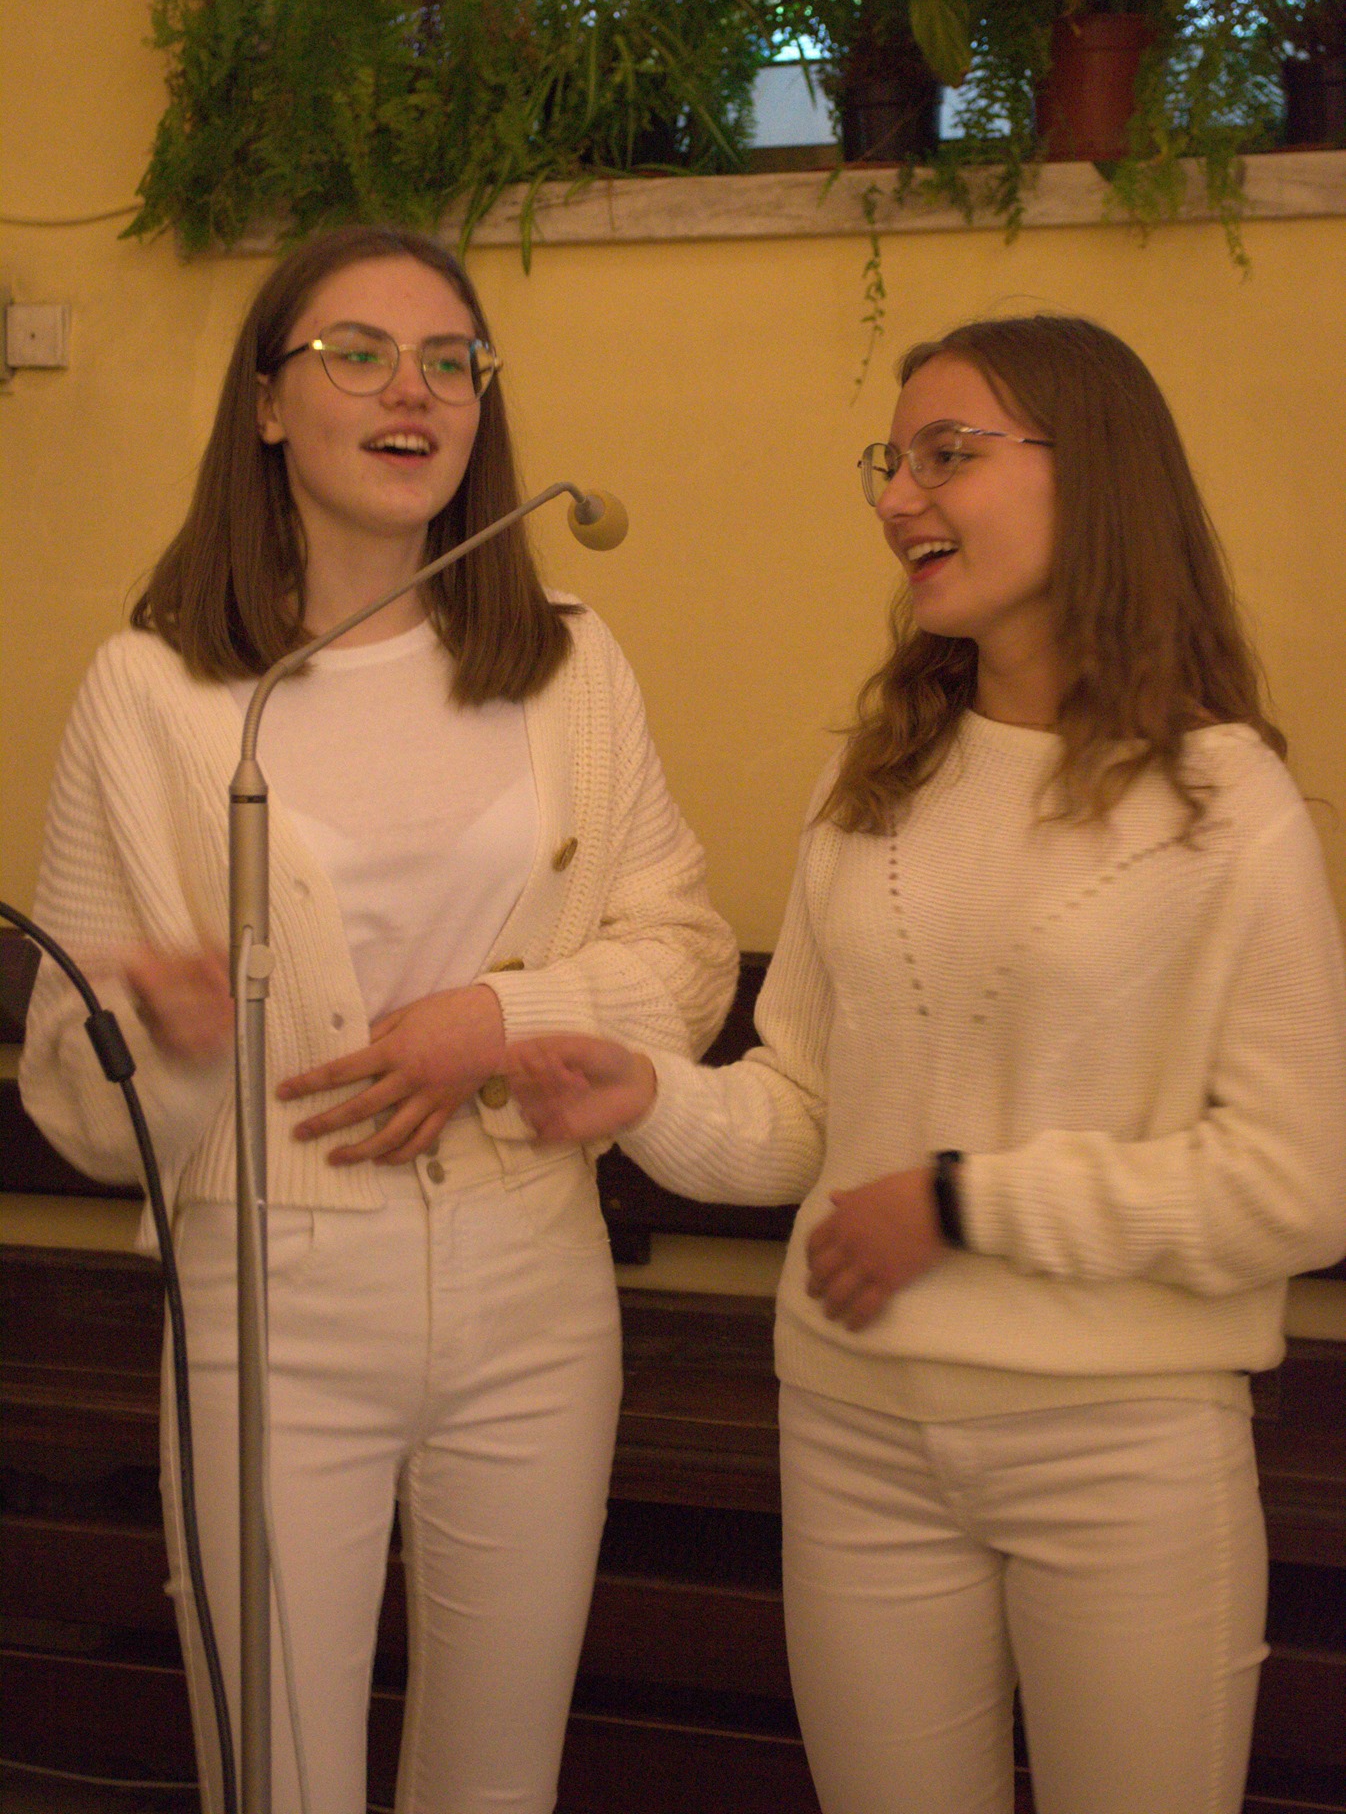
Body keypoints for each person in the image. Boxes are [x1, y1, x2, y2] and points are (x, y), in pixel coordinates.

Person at [503, 314, 1346, 1814]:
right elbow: (805, 1115)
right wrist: (652, 1099)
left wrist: (965, 1205)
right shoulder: (871, 776)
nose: (899, 497)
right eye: (889, 463)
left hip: (1118, 1452)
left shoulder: (1228, 803)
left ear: (1095, 474)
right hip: (852, 1432)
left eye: (947, 455)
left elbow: (1297, 1186)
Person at [19, 222, 738, 1814]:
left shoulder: (568, 663)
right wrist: (171, 1041)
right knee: (274, 1777)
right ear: (268, 405)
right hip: (273, 1291)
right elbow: (76, 1091)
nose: (412, 390)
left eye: (449, 360)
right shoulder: (154, 688)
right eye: (357, 354)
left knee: (497, 1780)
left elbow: (686, 955)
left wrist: (499, 1014)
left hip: (535, 1288)